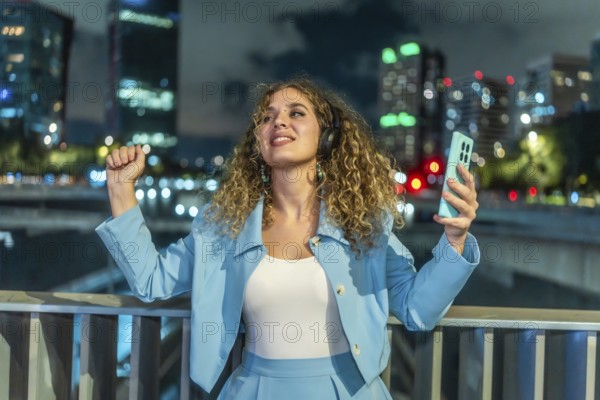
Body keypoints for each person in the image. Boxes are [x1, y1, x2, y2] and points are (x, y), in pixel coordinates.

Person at [96, 77, 480, 399]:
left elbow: (417, 311)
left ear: (326, 138)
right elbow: (151, 280)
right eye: (267, 118)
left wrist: (455, 240)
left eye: (296, 113)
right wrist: (120, 189)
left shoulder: (365, 226)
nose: (278, 122)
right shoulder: (222, 228)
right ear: (258, 142)